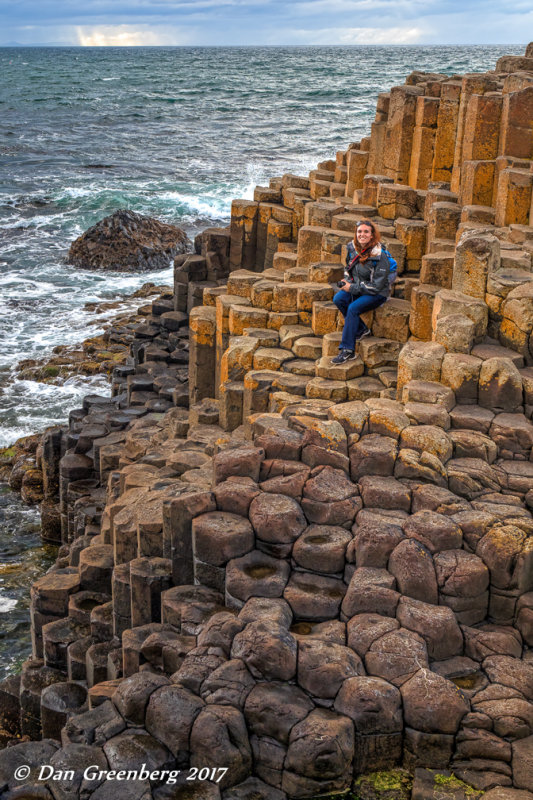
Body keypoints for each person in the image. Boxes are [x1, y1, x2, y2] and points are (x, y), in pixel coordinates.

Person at [331, 219, 396, 364]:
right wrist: (347, 281)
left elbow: (377, 286)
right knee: (338, 299)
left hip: (377, 293)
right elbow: (348, 269)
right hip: (358, 287)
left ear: (372, 235)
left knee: (353, 308)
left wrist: (352, 288)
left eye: (366, 231)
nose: (362, 234)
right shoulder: (352, 248)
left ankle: (347, 350)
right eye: (359, 231)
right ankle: (361, 329)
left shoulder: (380, 256)